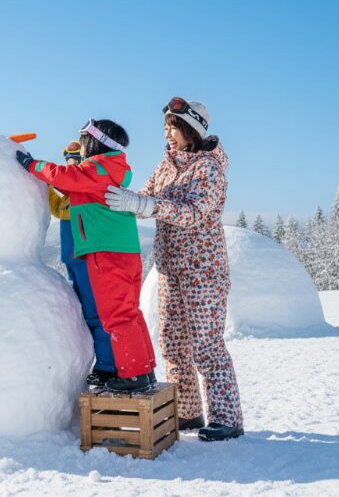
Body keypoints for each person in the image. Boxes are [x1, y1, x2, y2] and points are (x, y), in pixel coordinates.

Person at [104, 97, 244, 442]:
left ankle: (227, 419)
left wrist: (145, 204)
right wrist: (113, 195)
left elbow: (192, 212)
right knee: (174, 344)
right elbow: (143, 199)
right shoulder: (165, 165)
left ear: (191, 129)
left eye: (173, 126)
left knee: (206, 346)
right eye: (165, 126)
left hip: (202, 270)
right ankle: (188, 412)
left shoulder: (209, 169)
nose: (167, 133)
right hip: (169, 269)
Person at [16, 119, 156, 392]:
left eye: (82, 141)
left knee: (116, 316)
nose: (80, 148)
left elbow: (66, 178)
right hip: (124, 252)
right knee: (130, 313)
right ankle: (144, 369)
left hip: (105, 252)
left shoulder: (97, 167)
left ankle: (132, 375)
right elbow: (69, 188)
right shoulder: (112, 169)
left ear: (94, 142)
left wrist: (32, 165)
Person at [48, 141, 117, 386]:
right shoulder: (69, 197)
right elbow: (57, 209)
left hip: (88, 258)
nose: (72, 162)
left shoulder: (88, 191)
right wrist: (46, 184)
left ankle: (108, 366)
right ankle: (99, 363)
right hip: (72, 259)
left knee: (96, 312)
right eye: (68, 158)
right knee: (81, 314)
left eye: (76, 157)